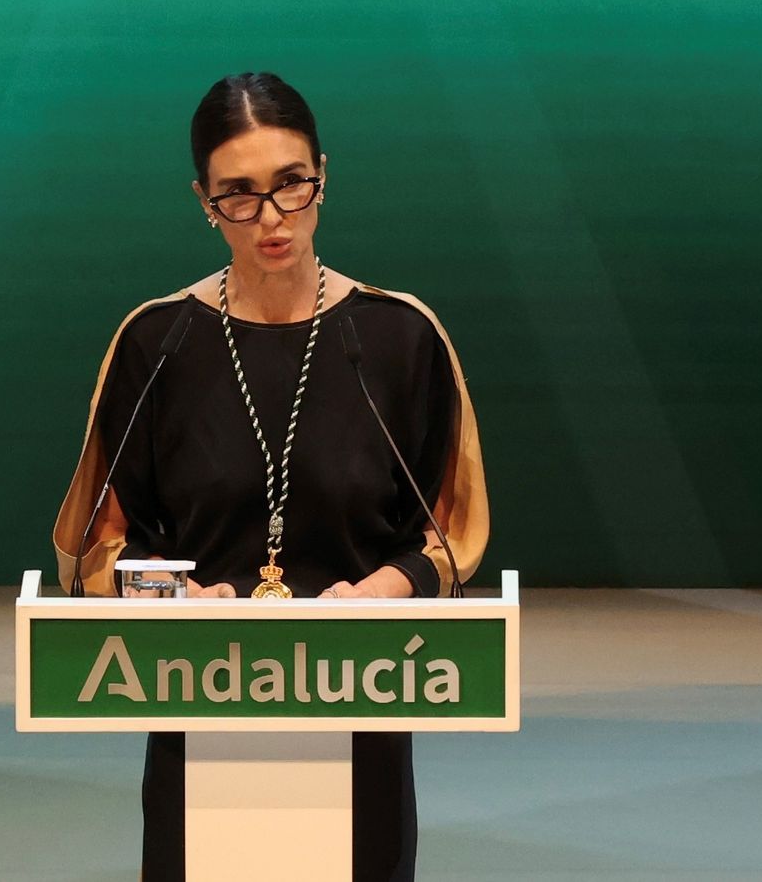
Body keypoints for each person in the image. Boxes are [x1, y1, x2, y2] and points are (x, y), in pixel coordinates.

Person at [52, 72, 488, 882]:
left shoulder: (399, 338)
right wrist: (175, 600)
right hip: (198, 691)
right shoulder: (158, 345)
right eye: (239, 195)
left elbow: (447, 532)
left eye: (291, 184)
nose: (272, 217)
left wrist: (383, 593)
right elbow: (103, 547)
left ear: (324, 172)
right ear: (204, 201)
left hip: (361, 700)